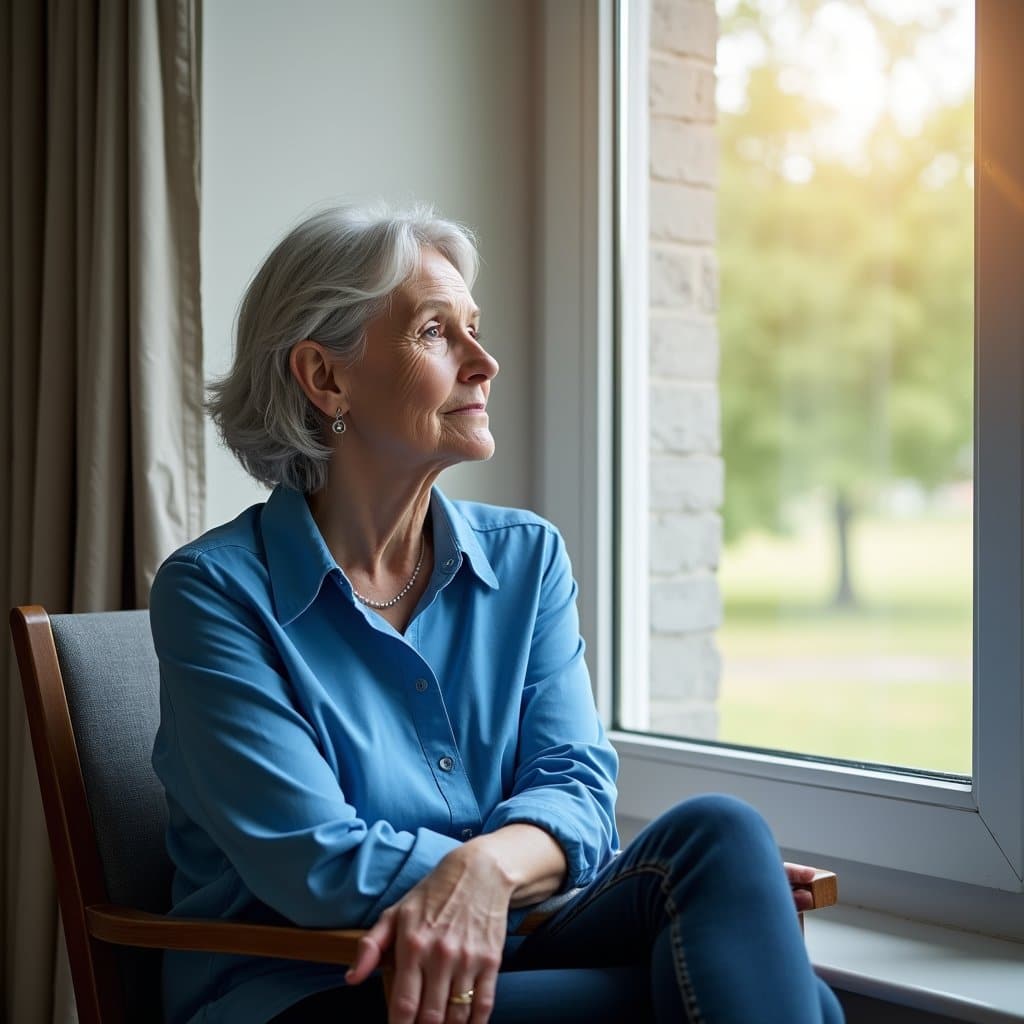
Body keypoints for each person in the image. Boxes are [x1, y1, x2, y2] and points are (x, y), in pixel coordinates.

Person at [149, 202, 844, 1024]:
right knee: (778, 996)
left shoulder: (527, 559)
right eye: (435, 332)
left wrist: (493, 873)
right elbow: (316, 864)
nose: (485, 363)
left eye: (473, 329)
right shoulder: (214, 594)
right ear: (325, 377)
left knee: (720, 835)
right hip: (315, 985)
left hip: (514, 946)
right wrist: (519, 868)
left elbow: (576, 787)